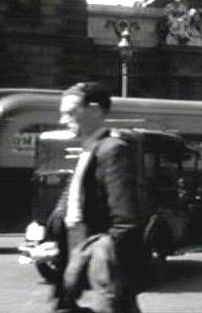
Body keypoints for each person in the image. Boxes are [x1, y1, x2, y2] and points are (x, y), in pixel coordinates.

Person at [48, 82, 148, 313]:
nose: (63, 120)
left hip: (101, 262)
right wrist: (53, 237)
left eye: (70, 112)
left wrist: (97, 254)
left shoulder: (112, 150)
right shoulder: (89, 150)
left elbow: (126, 217)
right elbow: (75, 201)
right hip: (82, 254)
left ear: (93, 110)